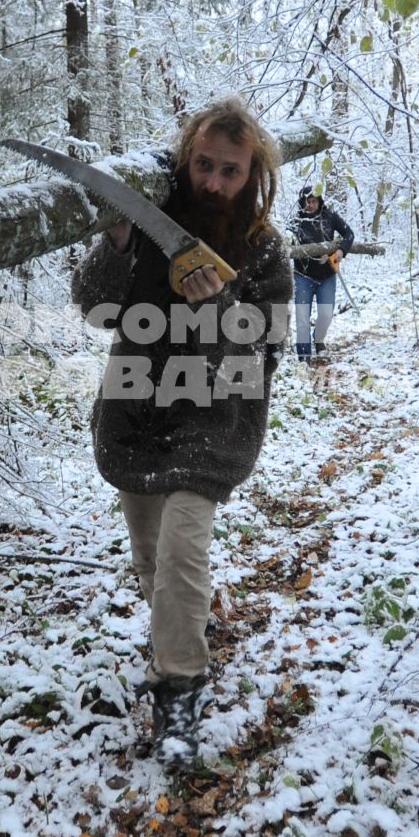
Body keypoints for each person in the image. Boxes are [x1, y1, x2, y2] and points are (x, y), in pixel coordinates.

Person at [70, 97, 293, 763]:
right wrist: (114, 241)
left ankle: (180, 690)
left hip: (216, 421)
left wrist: (220, 307)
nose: (214, 182)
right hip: (137, 412)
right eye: (204, 165)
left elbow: (266, 351)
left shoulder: (264, 252)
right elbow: (94, 307)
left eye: (230, 170)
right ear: (186, 157)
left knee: (180, 549)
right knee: (151, 556)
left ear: (252, 173)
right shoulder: (146, 221)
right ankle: (181, 630)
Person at [290, 186, 354, 360]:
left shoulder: (330, 217)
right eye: (307, 202)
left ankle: (318, 341)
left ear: (319, 201)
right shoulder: (296, 221)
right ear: (302, 203)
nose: (310, 205)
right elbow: (288, 244)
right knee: (302, 316)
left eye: (314, 201)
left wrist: (339, 252)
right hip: (303, 275)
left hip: (327, 276)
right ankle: (303, 354)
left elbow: (349, 234)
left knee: (326, 314)